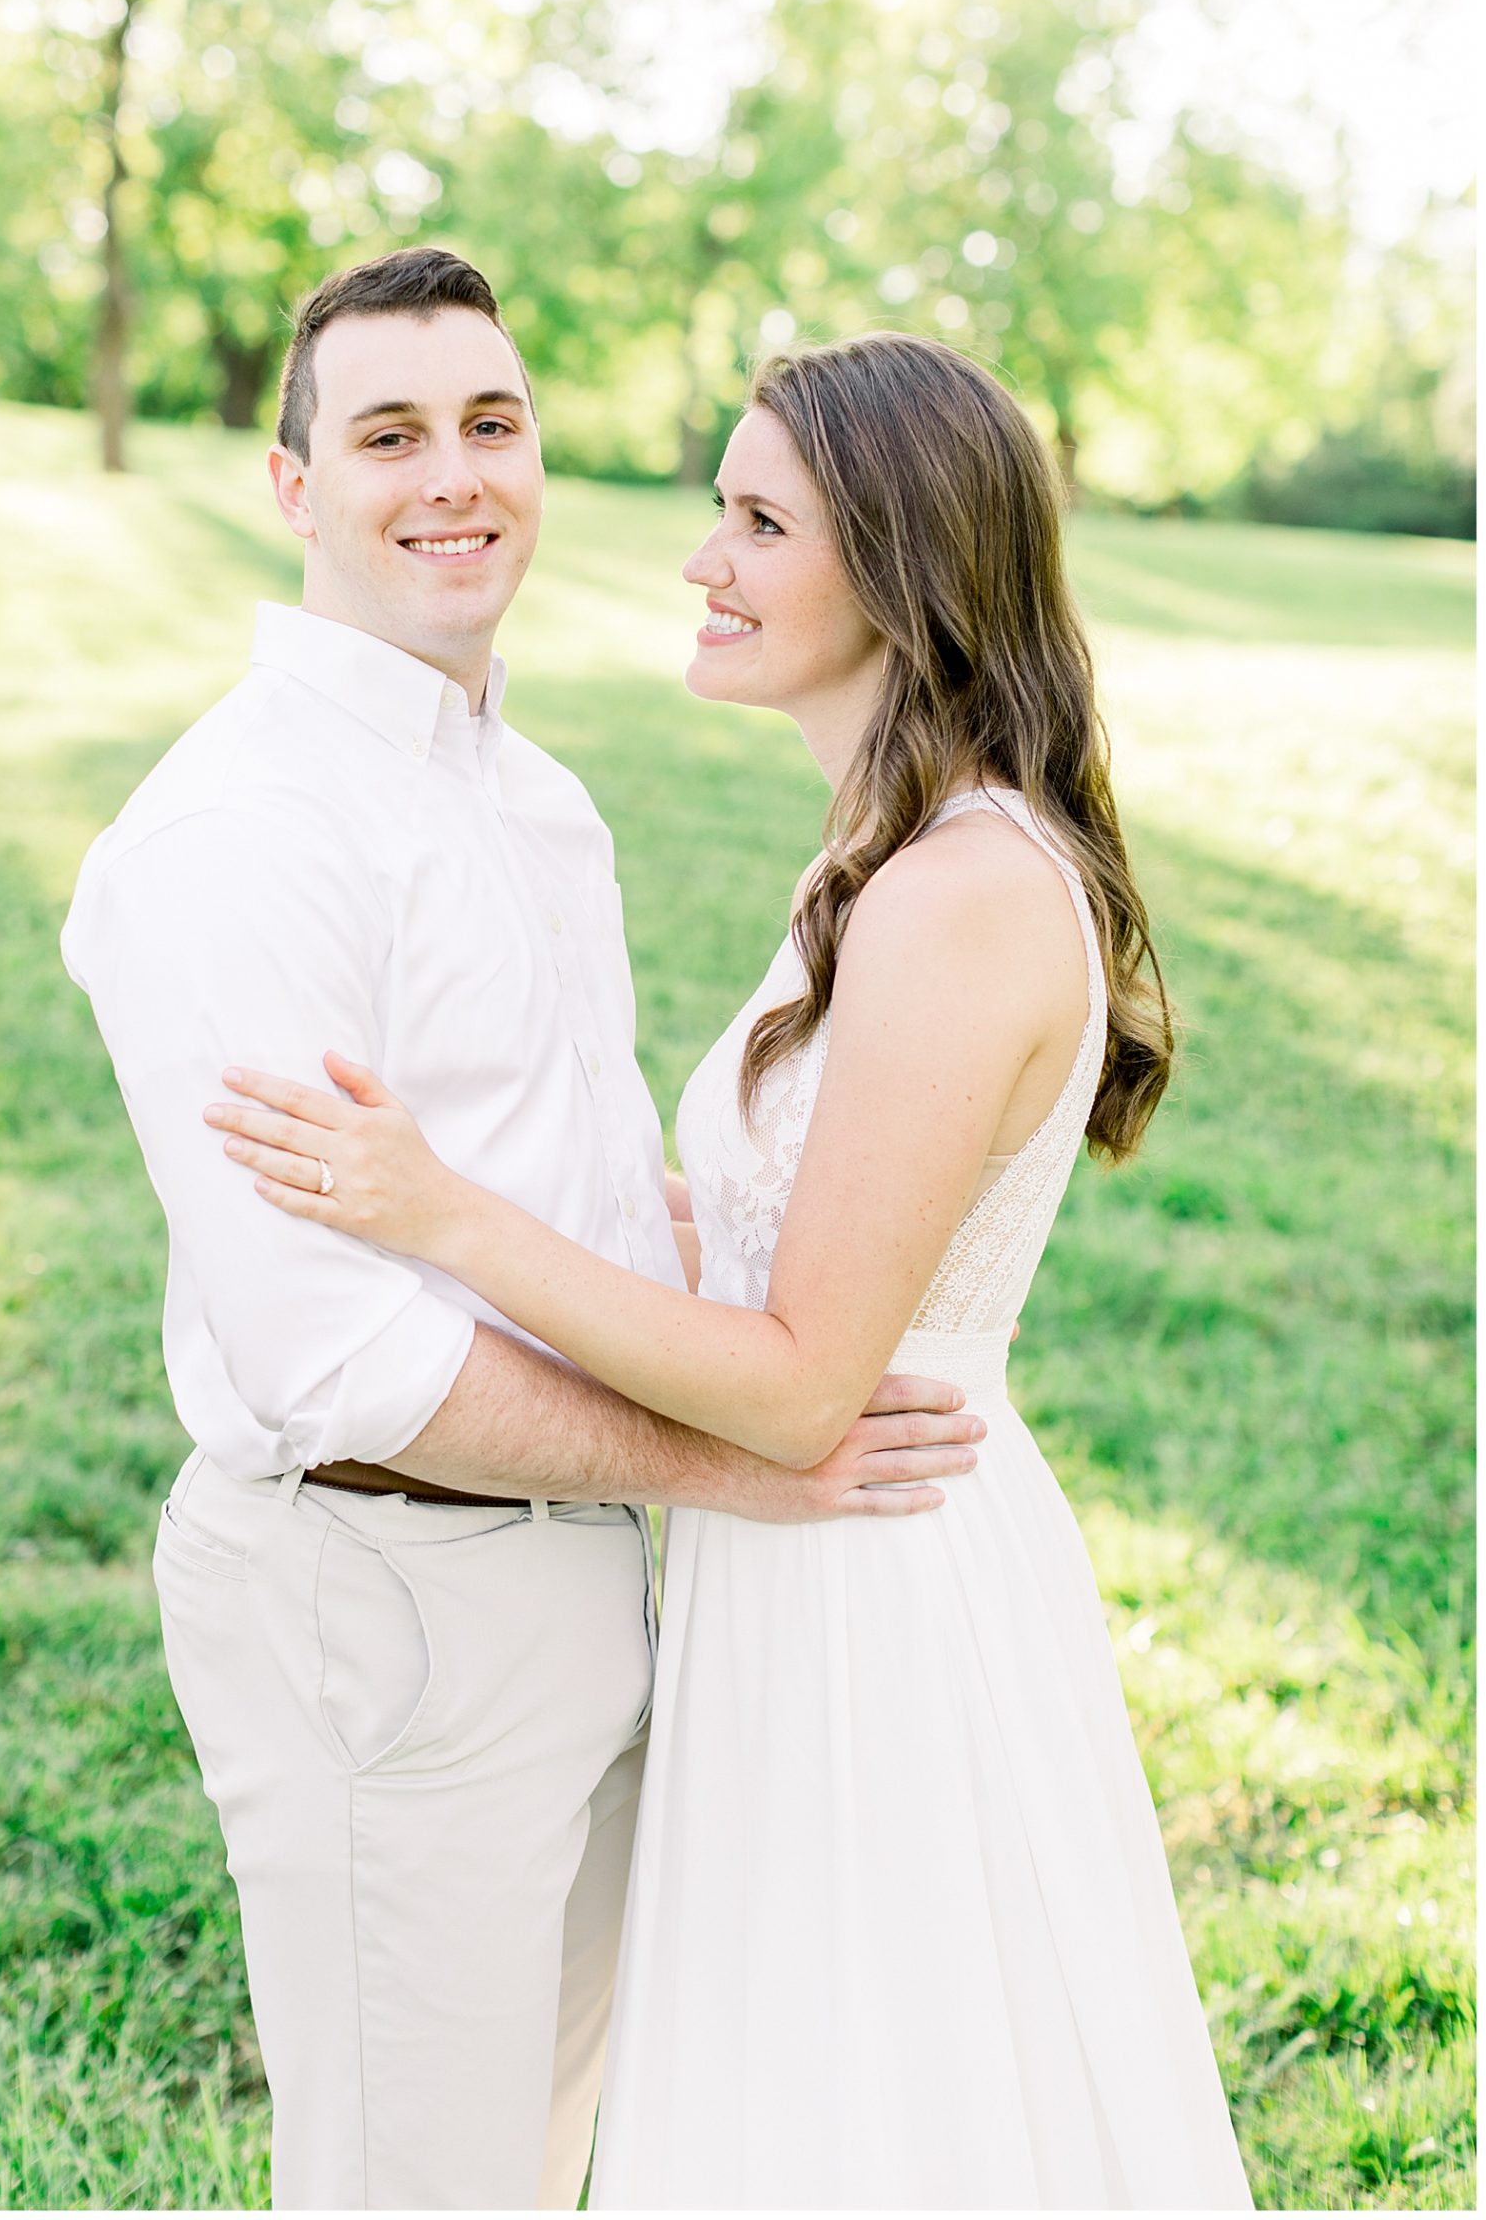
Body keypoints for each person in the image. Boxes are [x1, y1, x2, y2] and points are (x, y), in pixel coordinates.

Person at [208, 328, 1255, 2209]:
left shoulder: (955, 892)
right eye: (719, 509)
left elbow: (795, 1384)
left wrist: (441, 1211)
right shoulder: (875, 861)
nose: (702, 561)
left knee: (883, 2108)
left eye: (759, 523)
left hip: (875, 1560)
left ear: (904, 566)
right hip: (801, 1551)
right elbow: (800, 1235)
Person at [60, 252, 985, 2213]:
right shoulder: (240, 838)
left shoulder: (540, 803)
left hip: (585, 1588)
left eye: (491, 423)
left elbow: (567, 1194)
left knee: (540, 2156)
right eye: (387, 433)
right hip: (385, 1597)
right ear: (292, 484)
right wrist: (744, 1463)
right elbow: (339, 1357)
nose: (453, 475)